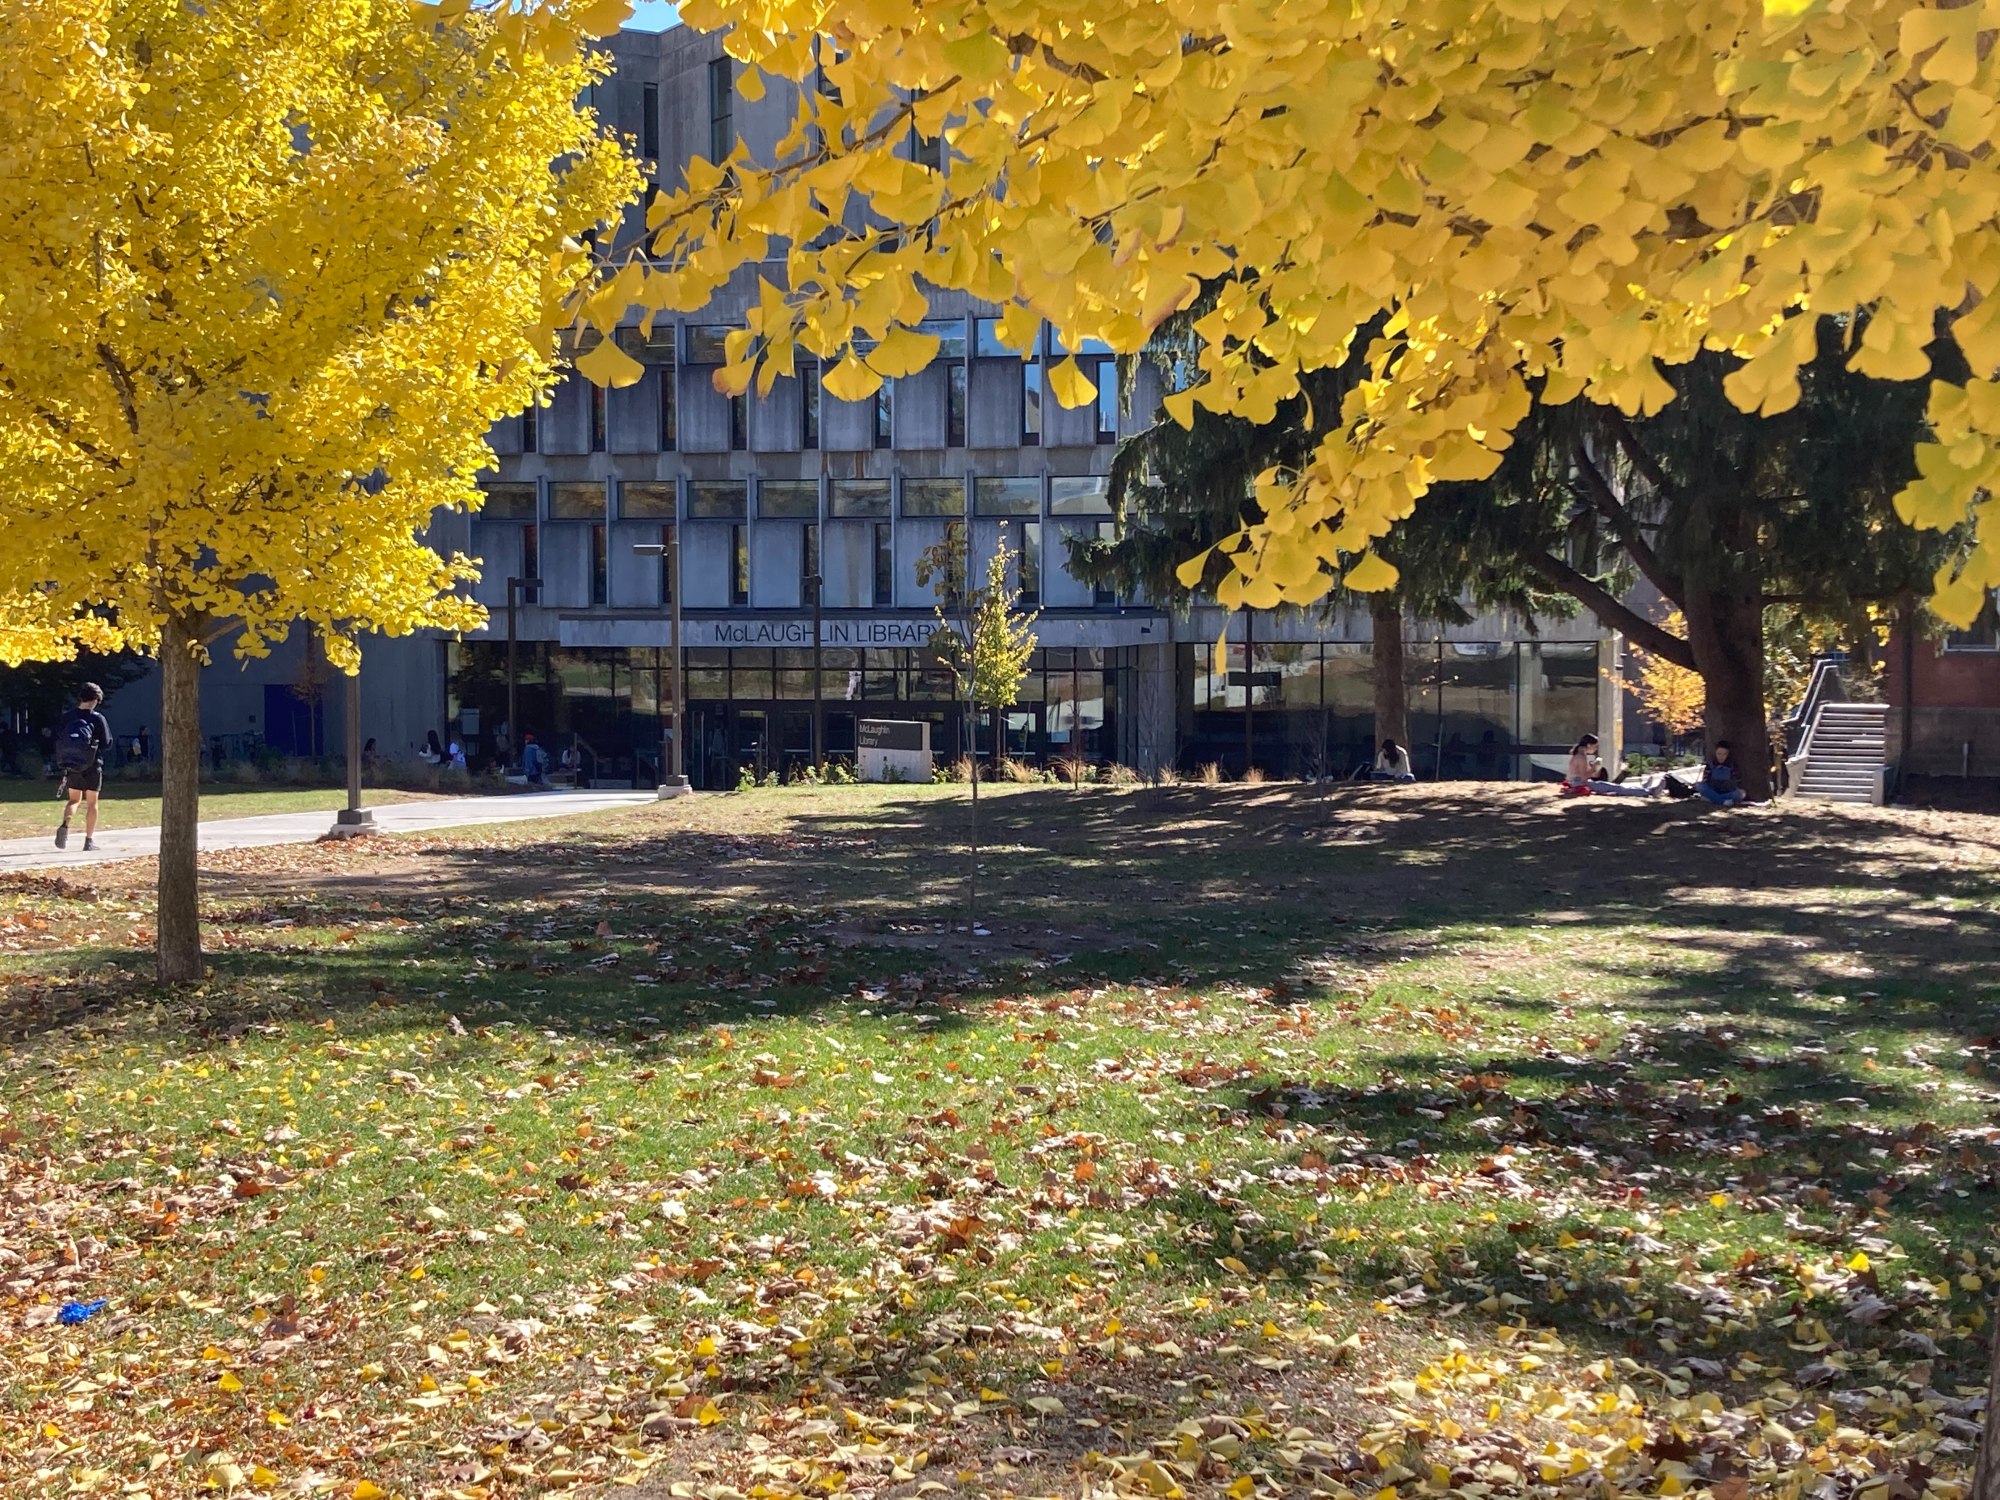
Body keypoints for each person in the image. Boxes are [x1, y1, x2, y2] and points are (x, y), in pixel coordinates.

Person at [53, 683, 112, 851]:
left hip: (72, 765)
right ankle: (89, 840)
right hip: (92, 765)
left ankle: (65, 825)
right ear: (95, 700)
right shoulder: (97, 718)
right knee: (92, 803)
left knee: (74, 800)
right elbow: (107, 743)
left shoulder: (68, 717)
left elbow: (59, 738)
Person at [1563, 734, 1656, 797]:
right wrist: (1594, 766)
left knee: (1613, 786)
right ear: (1588, 745)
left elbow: (1586, 775)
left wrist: (1594, 768)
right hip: (1580, 784)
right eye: (1595, 746)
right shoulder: (1581, 757)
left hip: (1578, 783)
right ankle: (1647, 791)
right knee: (1617, 788)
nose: (1596, 749)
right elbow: (1584, 777)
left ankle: (1643, 789)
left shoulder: (1579, 755)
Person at [1697, 739, 1749, 806]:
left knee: (1741, 793)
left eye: (1724, 754)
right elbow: (1705, 780)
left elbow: (1736, 781)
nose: (1721, 757)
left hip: (1727, 791)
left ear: (1728, 754)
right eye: (1719, 754)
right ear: (1715, 753)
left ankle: (1712, 799)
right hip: (1713, 789)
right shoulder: (1710, 765)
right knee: (1700, 786)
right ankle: (1723, 801)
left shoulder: (1732, 766)